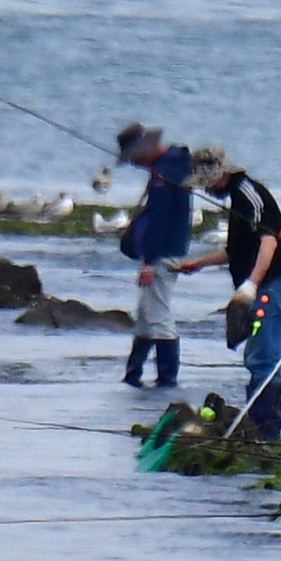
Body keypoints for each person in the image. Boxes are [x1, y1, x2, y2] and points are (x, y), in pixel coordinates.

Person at [176, 149, 281, 441]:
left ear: (218, 175)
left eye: (205, 182)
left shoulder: (250, 196)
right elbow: (238, 251)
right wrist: (200, 263)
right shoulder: (238, 198)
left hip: (274, 288)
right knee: (257, 357)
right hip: (263, 289)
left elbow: (268, 244)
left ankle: (266, 434)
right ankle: (259, 429)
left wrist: (251, 285)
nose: (205, 189)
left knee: (264, 359)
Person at [116, 122, 192, 389]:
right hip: (171, 248)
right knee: (147, 315)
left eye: (135, 158)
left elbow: (160, 219)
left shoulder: (164, 174)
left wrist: (149, 261)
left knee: (158, 315)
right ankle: (133, 374)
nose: (136, 164)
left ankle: (167, 379)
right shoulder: (174, 164)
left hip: (164, 252)